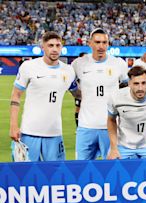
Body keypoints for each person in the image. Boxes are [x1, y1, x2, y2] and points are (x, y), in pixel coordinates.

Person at [9, 31, 78, 161]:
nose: (54, 49)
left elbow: (78, 95)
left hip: (55, 133)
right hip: (29, 132)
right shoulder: (29, 67)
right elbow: (16, 96)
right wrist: (13, 126)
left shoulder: (68, 71)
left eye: (58, 45)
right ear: (43, 47)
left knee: (56, 176)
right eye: (50, 45)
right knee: (26, 177)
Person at [72, 28, 128, 160]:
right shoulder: (78, 64)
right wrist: (79, 95)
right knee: (80, 170)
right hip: (85, 127)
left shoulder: (118, 63)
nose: (101, 46)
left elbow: (126, 87)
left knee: (111, 170)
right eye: (97, 42)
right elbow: (70, 86)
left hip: (111, 127)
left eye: (105, 42)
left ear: (108, 44)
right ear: (90, 43)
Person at [74, 52, 87, 127]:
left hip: (89, 94)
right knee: (78, 109)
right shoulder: (76, 69)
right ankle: (77, 126)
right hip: (80, 94)